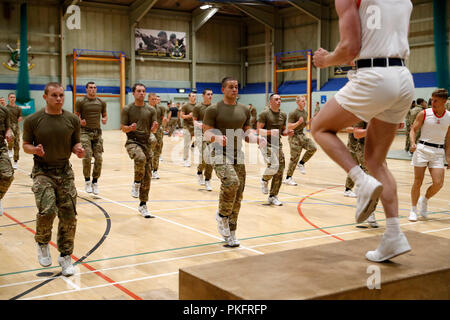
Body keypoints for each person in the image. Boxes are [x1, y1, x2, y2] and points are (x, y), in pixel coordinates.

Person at [311, 0, 414, 262]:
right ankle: (394, 235)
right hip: (404, 78)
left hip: (374, 76)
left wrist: (325, 61)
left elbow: (349, 49)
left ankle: (360, 181)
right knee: (377, 161)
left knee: (320, 127)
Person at [22, 82, 85, 276]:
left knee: (69, 216)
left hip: (64, 171)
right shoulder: (33, 120)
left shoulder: (72, 120)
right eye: (54, 95)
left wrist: (78, 150)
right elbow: (25, 145)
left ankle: (65, 257)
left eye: (61, 95)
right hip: (43, 171)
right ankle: (42, 242)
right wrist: (35, 150)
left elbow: (76, 142)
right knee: (47, 209)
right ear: (45, 97)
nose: (58, 98)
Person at [203, 76, 265, 247]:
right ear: (223, 89)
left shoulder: (245, 110)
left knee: (238, 195)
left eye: (236, 87)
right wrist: (216, 137)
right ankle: (222, 216)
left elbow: (247, 133)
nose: (234, 89)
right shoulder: (213, 110)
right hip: (218, 152)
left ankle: (231, 233)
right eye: (230, 87)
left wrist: (256, 139)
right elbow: (206, 133)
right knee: (231, 181)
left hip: (238, 154)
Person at [408, 89, 450, 222]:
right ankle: (413, 209)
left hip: (438, 152)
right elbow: (413, 130)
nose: (433, 102)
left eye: (436, 100)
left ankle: (424, 200)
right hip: (422, 149)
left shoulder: (449, 116)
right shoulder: (424, 113)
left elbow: (448, 139)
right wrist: (413, 143)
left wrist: (448, 157)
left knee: (438, 183)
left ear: (444, 101)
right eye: (432, 99)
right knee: (418, 181)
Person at [121, 83, 158, 218]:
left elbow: (153, 129)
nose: (141, 93)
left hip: (146, 143)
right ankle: (136, 183)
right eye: (138, 91)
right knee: (140, 158)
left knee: (148, 176)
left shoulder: (151, 110)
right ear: (133, 93)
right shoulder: (127, 109)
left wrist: (154, 128)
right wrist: (130, 128)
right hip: (132, 142)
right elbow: (123, 128)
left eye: (143, 91)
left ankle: (143, 205)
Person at [258, 94, 293, 205]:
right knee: (274, 165)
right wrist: (269, 132)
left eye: (280, 99)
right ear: (270, 102)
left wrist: (287, 133)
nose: (279, 101)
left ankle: (273, 196)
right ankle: (264, 179)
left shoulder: (283, 115)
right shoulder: (264, 114)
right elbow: (258, 131)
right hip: (266, 144)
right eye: (276, 99)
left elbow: (282, 131)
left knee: (280, 170)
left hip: (277, 144)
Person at [343, 121, 378, 228]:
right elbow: (351, 130)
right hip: (359, 148)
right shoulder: (359, 113)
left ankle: (367, 209)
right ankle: (349, 189)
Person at [74, 81, 107, 195]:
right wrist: (80, 121)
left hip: (97, 133)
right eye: (91, 88)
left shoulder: (101, 102)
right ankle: (87, 181)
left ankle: (95, 182)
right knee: (87, 156)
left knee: (99, 158)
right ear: (86, 89)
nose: (93, 89)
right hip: (84, 132)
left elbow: (104, 115)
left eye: (95, 87)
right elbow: (75, 116)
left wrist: (104, 119)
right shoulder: (81, 101)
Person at [285, 95, 317, 184]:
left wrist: (310, 121)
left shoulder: (305, 113)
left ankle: (302, 163)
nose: (304, 102)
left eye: (304, 101)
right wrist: (298, 122)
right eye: (302, 101)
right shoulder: (293, 113)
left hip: (301, 135)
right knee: (294, 158)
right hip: (294, 137)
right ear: (298, 102)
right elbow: (290, 126)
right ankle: (288, 178)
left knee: (313, 148)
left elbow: (303, 125)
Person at [193, 88, 214, 191]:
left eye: (211, 94)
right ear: (203, 95)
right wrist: (201, 125)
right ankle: (200, 171)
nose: (210, 96)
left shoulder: (214, 108)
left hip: (211, 134)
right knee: (205, 156)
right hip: (199, 133)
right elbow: (194, 122)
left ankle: (207, 179)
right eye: (208, 94)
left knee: (210, 158)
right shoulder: (198, 107)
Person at [0, 101, 14, 216]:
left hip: (0, 148)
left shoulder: (4, 110)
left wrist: (9, 133)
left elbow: (8, 128)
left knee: (8, 175)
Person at [149, 93, 165, 179]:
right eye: (153, 99)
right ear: (149, 99)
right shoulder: (145, 108)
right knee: (149, 151)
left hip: (158, 132)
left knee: (157, 151)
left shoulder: (161, 108)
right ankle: (149, 169)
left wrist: (161, 128)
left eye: (156, 99)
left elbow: (162, 119)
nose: (154, 101)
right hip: (149, 132)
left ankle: (155, 170)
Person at [6, 93, 22, 169]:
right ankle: (9, 149)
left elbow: (20, 116)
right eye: (11, 97)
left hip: (16, 127)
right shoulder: (5, 108)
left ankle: (15, 162)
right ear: (8, 98)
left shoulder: (18, 108)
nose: (13, 98)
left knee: (17, 144)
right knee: (11, 138)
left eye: (14, 97)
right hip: (8, 127)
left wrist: (20, 118)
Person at [181, 92, 196, 167]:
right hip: (187, 126)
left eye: (195, 96)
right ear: (189, 97)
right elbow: (182, 116)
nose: (194, 97)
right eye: (193, 96)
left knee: (202, 139)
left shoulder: (198, 106)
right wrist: (189, 116)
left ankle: (193, 145)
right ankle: (185, 159)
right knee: (186, 144)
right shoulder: (185, 106)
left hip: (196, 127)